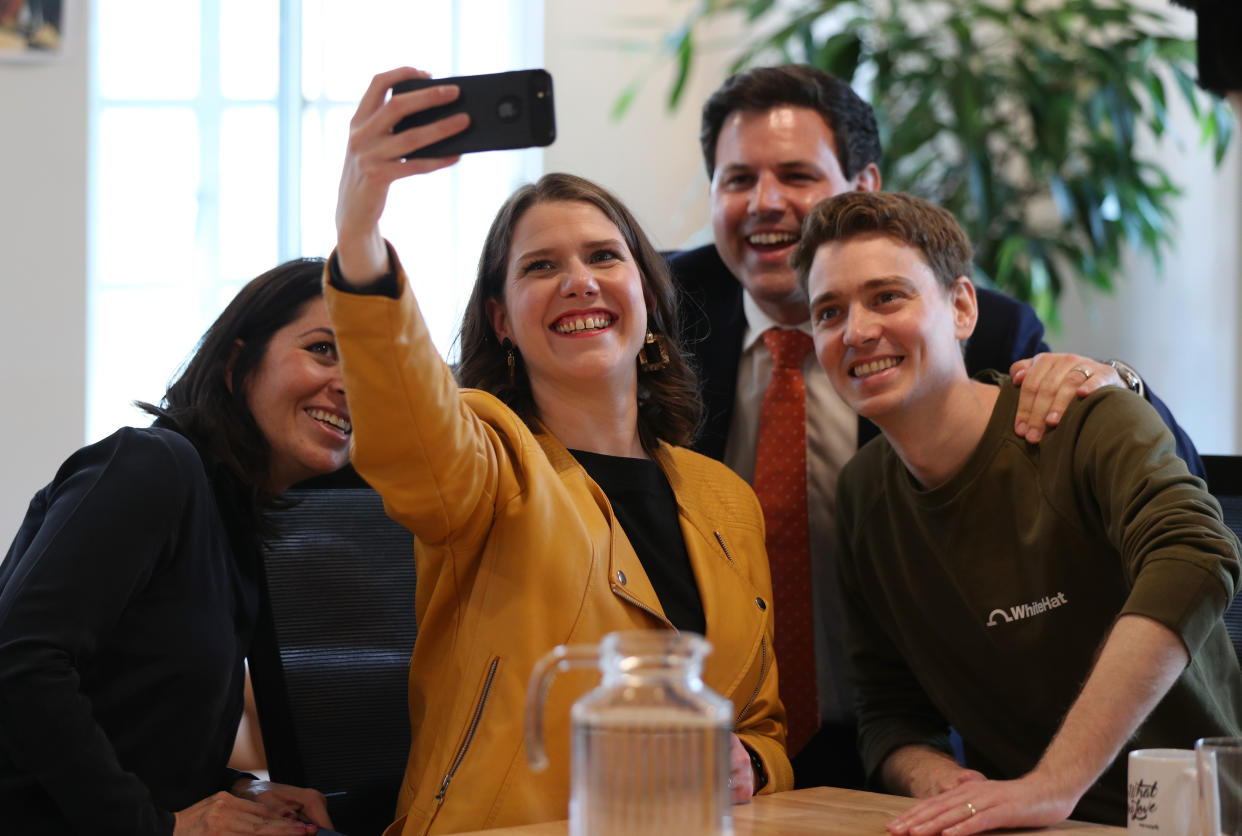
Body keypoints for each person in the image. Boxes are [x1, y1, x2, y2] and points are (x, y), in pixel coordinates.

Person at [665, 63, 1207, 785]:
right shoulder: (660, 312)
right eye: (737, 180)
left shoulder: (979, 330)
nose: (765, 203)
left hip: (908, 746)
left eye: (796, 175)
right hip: (720, 747)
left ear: (863, 187)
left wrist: (1119, 385)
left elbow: (1170, 496)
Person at [327, 67, 792, 835]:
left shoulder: (724, 499)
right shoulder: (483, 451)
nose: (578, 282)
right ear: (502, 321)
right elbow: (405, 421)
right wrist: (360, 225)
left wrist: (752, 759)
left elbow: (763, 722)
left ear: (647, 293)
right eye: (540, 267)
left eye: (604, 257)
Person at [793, 189, 1242, 831]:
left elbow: (1197, 554)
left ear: (961, 307)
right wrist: (940, 780)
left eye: (887, 296)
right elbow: (889, 712)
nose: (857, 331)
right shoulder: (864, 490)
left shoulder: (1084, 415)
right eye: (829, 311)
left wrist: (1052, 783)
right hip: (1016, 825)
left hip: (1192, 820)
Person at [0, 258, 348, 835]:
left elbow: (137, 733)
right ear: (238, 363)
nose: (348, 384)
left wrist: (242, 786)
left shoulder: (231, 524)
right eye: (322, 349)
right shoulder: (156, 465)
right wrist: (154, 828)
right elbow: (19, 659)